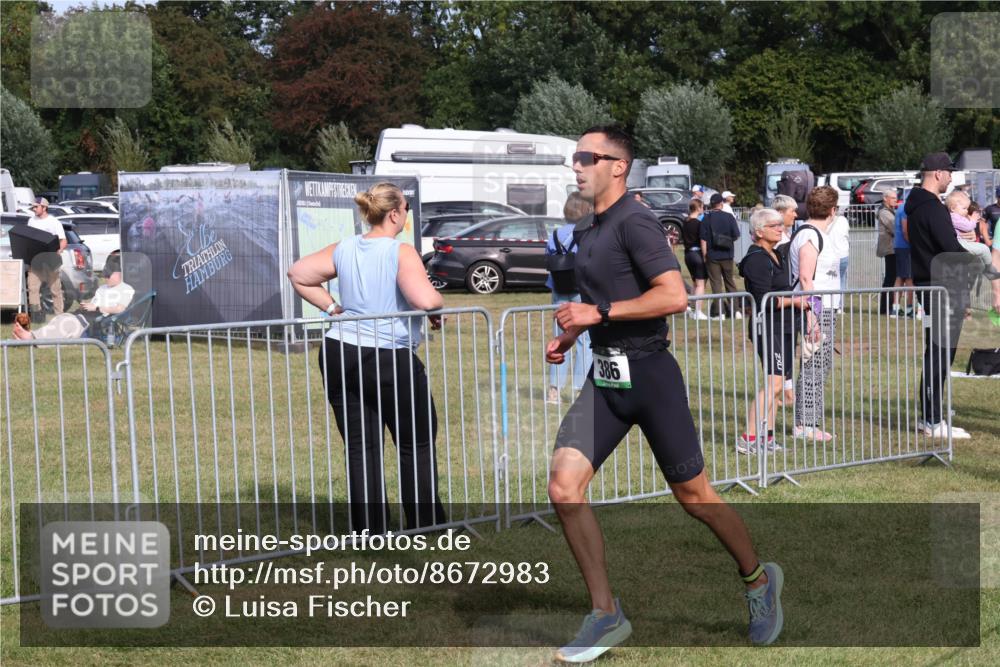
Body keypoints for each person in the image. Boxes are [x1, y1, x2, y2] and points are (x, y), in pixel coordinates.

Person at [546, 126, 783, 662]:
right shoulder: (589, 226)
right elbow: (602, 298)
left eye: (586, 157)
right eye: (574, 157)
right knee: (564, 487)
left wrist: (597, 313)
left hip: (651, 377)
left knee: (695, 498)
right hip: (606, 379)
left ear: (617, 166)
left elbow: (674, 295)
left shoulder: (636, 222)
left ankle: (758, 580)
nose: (576, 166)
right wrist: (573, 332)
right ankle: (605, 613)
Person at [286, 182, 448, 532]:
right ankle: (426, 525)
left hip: (339, 351)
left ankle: (369, 530)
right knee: (416, 441)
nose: (406, 215)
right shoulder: (401, 251)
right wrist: (437, 306)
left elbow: (298, 273)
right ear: (395, 214)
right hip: (387, 355)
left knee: (361, 446)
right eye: (406, 209)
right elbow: (426, 300)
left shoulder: (345, 247)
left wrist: (333, 308)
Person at [906, 152, 995, 439]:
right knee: (940, 353)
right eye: (949, 173)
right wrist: (973, 258)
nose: (951, 178)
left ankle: (931, 416)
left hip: (935, 284)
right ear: (937, 173)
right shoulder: (932, 208)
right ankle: (932, 420)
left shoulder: (918, 204)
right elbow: (949, 248)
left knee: (940, 352)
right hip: (941, 285)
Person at [737, 208, 813, 453]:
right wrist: (794, 301)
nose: (781, 228)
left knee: (777, 386)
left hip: (783, 327)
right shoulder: (756, 259)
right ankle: (748, 438)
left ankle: (767, 438)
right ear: (759, 232)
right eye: (774, 225)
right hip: (768, 328)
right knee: (774, 384)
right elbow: (764, 300)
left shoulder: (775, 254)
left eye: (781, 224)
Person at [789, 185, 841, 442]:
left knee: (819, 365)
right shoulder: (810, 235)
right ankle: (805, 424)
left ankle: (809, 421)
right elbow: (805, 278)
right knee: (814, 365)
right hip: (816, 308)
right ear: (832, 210)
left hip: (823, 307)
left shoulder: (816, 233)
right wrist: (812, 317)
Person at [546, 193, 594, 403]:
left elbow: (548, 259)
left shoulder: (555, 234)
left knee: (559, 339)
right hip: (580, 289)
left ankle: (554, 390)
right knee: (584, 340)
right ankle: (579, 388)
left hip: (559, 288)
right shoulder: (586, 234)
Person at [699, 193, 743, 319]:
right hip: (727, 254)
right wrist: (726, 241)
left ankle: (720, 313)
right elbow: (736, 235)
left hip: (712, 255)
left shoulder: (706, 218)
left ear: (711, 205)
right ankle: (736, 311)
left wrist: (704, 255)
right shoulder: (729, 217)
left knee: (716, 284)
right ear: (721, 204)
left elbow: (703, 239)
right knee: (730, 282)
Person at [26, 197, 67, 322]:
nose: (34, 209)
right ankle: (36, 316)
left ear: (44, 207)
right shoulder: (31, 221)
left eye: (36, 206)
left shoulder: (54, 222)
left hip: (50, 260)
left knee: (55, 290)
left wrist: (59, 250)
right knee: (32, 289)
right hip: (35, 260)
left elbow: (63, 240)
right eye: (33, 207)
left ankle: (59, 315)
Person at [946, 191, 1000, 279]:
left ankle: (987, 269)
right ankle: (988, 269)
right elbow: (968, 227)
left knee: (983, 251)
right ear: (953, 208)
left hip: (963, 242)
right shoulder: (954, 217)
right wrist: (973, 219)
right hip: (961, 243)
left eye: (967, 209)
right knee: (984, 249)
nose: (966, 211)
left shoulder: (955, 216)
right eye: (964, 208)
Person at [892, 189, 920, 319]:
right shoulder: (905, 209)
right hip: (905, 246)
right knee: (909, 279)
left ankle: (896, 308)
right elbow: (905, 230)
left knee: (901, 277)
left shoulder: (901, 207)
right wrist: (914, 245)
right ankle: (908, 309)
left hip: (900, 246)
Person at [681, 199, 709, 320]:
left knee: (694, 284)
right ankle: (698, 311)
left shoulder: (685, 222)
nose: (703, 209)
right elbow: (703, 240)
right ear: (698, 208)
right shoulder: (698, 223)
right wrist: (705, 255)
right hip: (697, 254)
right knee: (700, 284)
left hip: (688, 255)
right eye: (702, 207)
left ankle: (693, 311)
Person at [876, 191, 899, 315]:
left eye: (896, 198)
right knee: (890, 279)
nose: (895, 200)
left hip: (893, 248)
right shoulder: (884, 212)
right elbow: (895, 228)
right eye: (893, 198)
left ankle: (889, 307)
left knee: (892, 278)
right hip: (890, 249)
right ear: (885, 198)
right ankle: (885, 308)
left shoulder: (890, 211)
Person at [828, 212, 851, 292]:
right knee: (841, 279)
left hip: (831, 256)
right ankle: (840, 299)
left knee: (831, 281)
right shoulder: (843, 220)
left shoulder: (823, 221)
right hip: (843, 255)